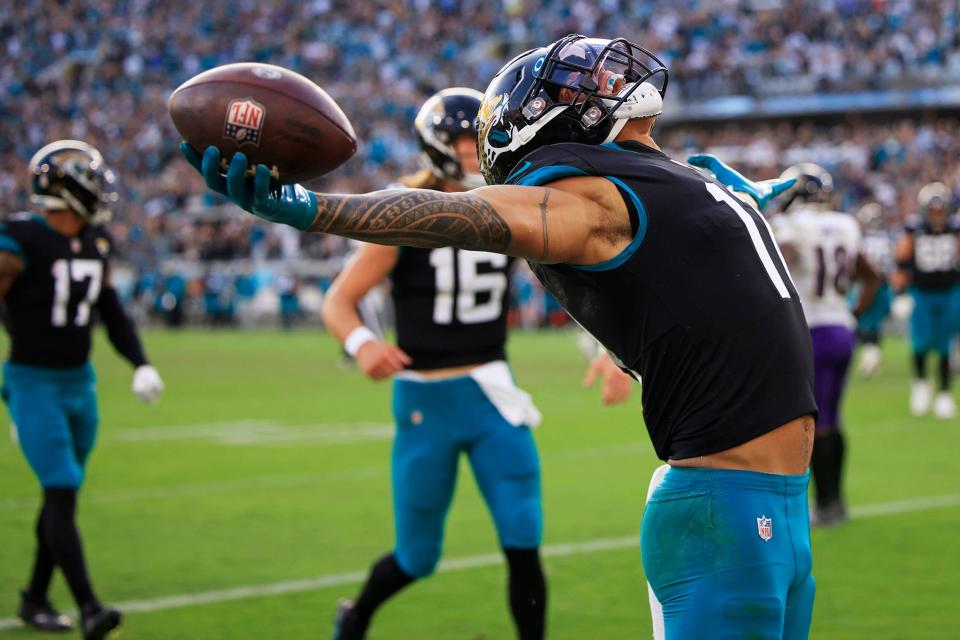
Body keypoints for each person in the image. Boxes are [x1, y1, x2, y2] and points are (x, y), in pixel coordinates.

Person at [181, 34, 816, 638]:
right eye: (573, 85)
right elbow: (468, 214)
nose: (603, 75)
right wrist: (315, 209)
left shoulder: (679, 178)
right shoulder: (587, 201)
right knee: (423, 548)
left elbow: (708, 229)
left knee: (521, 538)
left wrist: (763, 191)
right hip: (723, 507)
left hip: (778, 503)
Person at [321, 88, 546, 640]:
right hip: (425, 400)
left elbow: (575, 278)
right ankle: (357, 616)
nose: (476, 151)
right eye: (465, 140)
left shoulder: (510, 201)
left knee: (523, 536)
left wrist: (609, 352)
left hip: (493, 395)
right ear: (438, 146)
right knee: (417, 555)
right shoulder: (405, 210)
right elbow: (339, 301)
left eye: (482, 138)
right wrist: (362, 345)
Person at [0, 140, 165, 639]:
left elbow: (109, 308)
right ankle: (90, 607)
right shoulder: (19, 239)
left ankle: (33, 599)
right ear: (66, 188)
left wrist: (139, 362)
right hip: (33, 381)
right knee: (62, 485)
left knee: (61, 497)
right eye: (89, 181)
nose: (99, 192)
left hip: (79, 383)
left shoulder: (95, 240)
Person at [769, 164, 882, 526]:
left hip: (810, 331)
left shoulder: (791, 226)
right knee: (831, 418)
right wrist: (853, 313)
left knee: (806, 423)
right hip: (841, 329)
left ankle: (824, 504)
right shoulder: (846, 223)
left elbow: (778, 266)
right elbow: (872, 276)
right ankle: (835, 503)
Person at [893, 182, 959, 419]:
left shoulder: (955, 229)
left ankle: (943, 393)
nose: (937, 216)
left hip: (950, 290)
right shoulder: (914, 230)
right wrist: (900, 292)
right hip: (922, 292)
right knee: (920, 342)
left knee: (945, 344)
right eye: (933, 211)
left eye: (941, 211)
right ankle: (921, 384)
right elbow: (901, 261)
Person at [852, 202, 896, 377]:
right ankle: (872, 356)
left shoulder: (861, 239)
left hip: (866, 285)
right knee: (873, 324)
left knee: (861, 321)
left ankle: (871, 357)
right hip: (883, 285)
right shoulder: (887, 239)